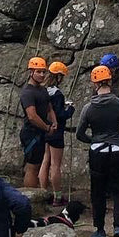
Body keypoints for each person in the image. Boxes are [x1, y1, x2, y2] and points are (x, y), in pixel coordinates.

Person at [75, 64, 119, 237]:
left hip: (98, 152)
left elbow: (79, 133)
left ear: (95, 84)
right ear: (110, 81)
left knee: (98, 192)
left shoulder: (88, 108)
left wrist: (93, 141)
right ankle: (118, 227)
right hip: (118, 150)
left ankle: (100, 229)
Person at [39, 60, 74, 203]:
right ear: (58, 76)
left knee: (45, 160)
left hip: (44, 129)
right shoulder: (57, 93)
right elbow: (59, 114)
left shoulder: (42, 90)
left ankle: (42, 193)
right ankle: (57, 196)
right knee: (55, 164)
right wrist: (70, 110)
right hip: (56, 131)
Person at [19, 57, 57, 189]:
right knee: (32, 168)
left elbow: (49, 107)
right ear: (31, 72)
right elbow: (32, 116)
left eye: (43, 72)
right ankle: (29, 198)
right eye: (38, 72)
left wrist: (54, 122)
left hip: (40, 132)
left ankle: (35, 194)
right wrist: (47, 128)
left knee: (38, 165)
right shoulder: (27, 92)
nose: (41, 75)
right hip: (31, 134)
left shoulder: (42, 90)